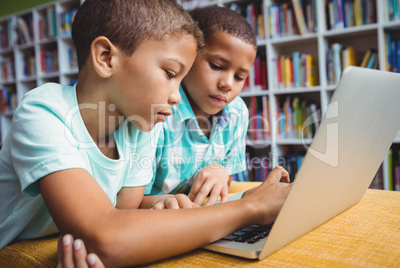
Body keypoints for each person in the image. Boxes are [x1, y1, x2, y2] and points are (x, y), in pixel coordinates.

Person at [0, 0, 291, 267]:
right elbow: (106, 239)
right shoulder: (43, 111)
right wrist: (250, 208)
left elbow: (126, 213)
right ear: (105, 57)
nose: (177, 98)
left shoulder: (138, 125)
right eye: (170, 73)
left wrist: (159, 204)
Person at [145, 6, 257, 206]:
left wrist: (220, 171)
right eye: (216, 66)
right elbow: (128, 201)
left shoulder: (237, 111)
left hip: (197, 213)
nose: (227, 84)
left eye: (239, 77)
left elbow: (226, 180)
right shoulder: (158, 111)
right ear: (187, 56)